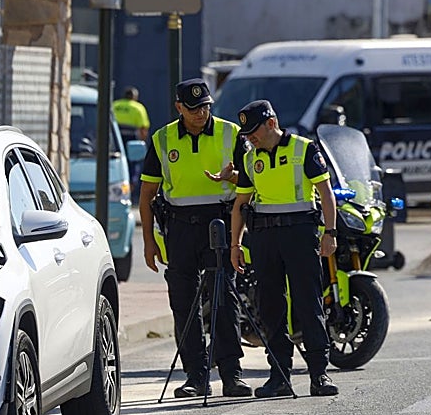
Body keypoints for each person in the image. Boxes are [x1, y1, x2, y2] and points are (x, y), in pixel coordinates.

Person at [139, 78, 250, 398]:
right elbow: (147, 193)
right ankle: (196, 375)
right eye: (193, 108)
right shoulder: (163, 138)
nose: (201, 113)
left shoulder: (232, 133)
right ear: (179, 108)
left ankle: (231, 374)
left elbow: (252, 178)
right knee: (183, 302)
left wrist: (233, 176)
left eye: (205, 107)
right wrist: (148, 241)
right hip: (180, 228)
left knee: (223, 298)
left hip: (220, 222)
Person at [229, 100, 340, 398]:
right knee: (270, 307)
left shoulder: (304, 149)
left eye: (253, 130)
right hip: (264, 236)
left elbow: (325, 194)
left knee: (309, 301)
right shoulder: (251, 158)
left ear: (271, 123)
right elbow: (241, 203)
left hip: (300, 233)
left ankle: (320, 374)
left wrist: (330, 233)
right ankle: (279, 376)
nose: (249, 137)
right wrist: (235, 244)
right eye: (246, 132)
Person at [113, 87, 151, 196]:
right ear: (134, 97)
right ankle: (128, 192)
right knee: (133, 166)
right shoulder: (138, 108)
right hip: (131, 140)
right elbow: (143, 129)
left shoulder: (115, 105)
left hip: (116, 141)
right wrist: (142, 145)